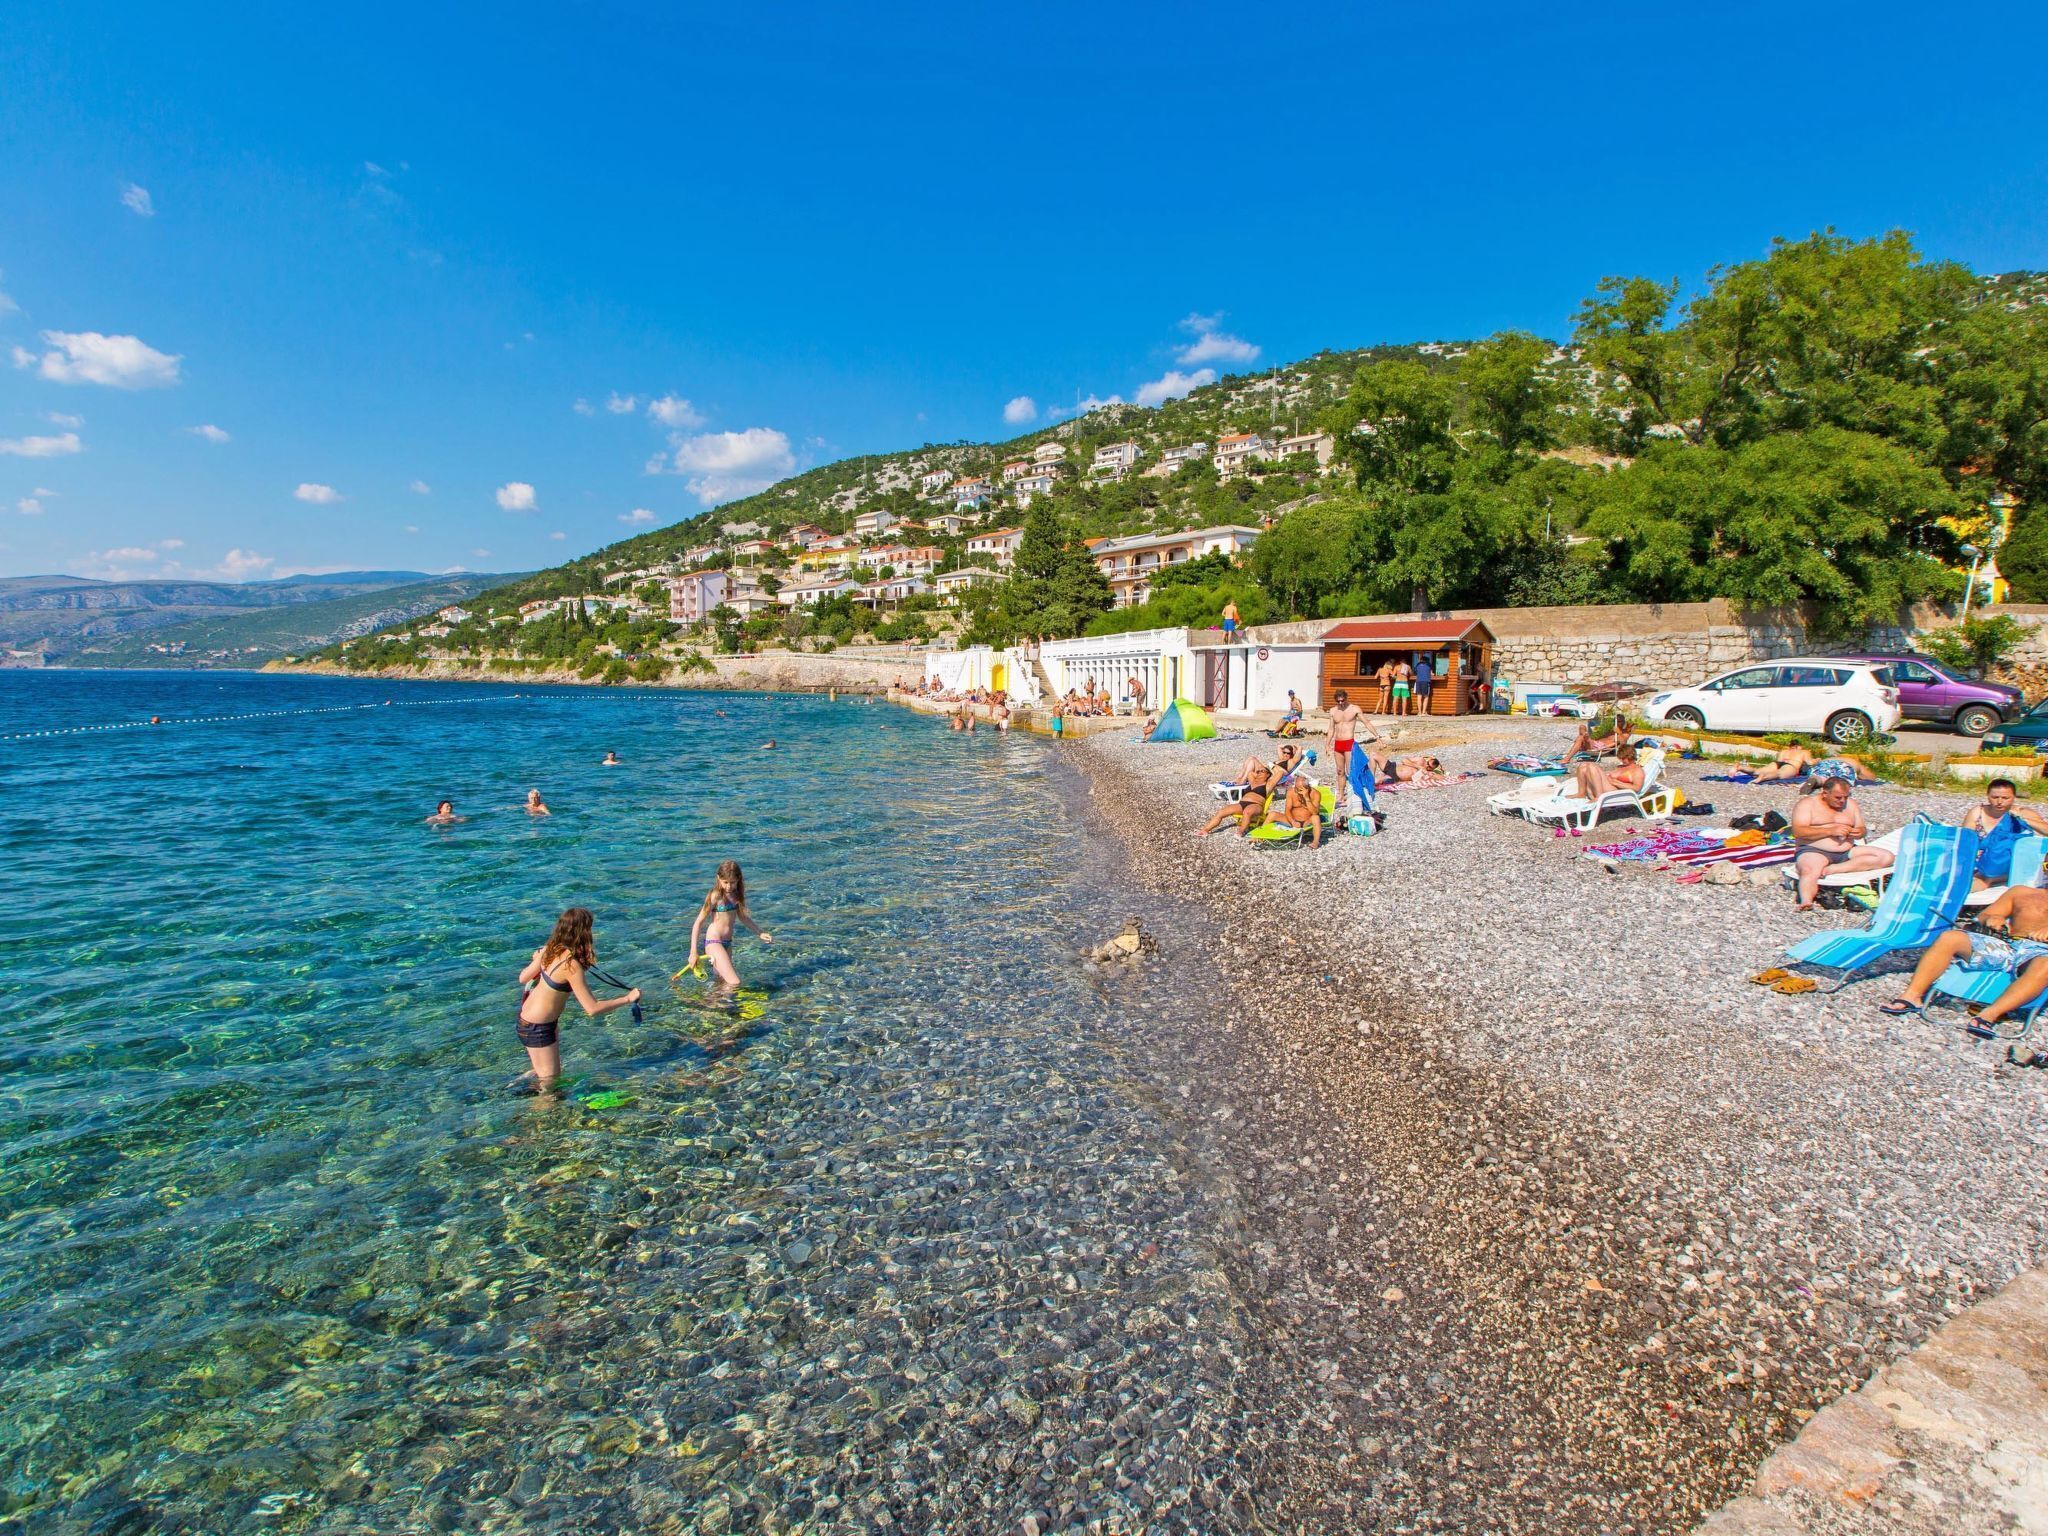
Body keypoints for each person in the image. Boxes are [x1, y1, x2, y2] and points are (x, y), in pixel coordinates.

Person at [1878, 880, 2048, 1031]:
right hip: (2005, 944)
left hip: (2041, 953)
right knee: (1950, 937)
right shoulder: (2021, 893)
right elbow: (1984, 915)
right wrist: (1993, 918)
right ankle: (1912, 996)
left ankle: (1989, 1015)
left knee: (2045, 965)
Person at [516, 907, 641, 1088]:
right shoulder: (571, 966)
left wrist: (537, 959)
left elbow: (523, 978)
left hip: (527, 1020)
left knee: (544, 1072)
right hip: (538, 1028)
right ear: (582, 933)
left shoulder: (550, 949)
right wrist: (628, 998)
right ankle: (539, 1113)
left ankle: (513, 1087)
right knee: (550, 1084)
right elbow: (592, 1008)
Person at [1790, 773, 1892, 911]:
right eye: (1838, 797)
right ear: (1825, 793)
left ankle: (1834, 869)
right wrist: (1830, 831)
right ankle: (1806, 901)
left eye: (1846, 797)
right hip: (1814, 850)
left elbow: (1862, 829)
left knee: (1886, 857)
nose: (1842, 801)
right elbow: (1798, 831)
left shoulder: (1851, 805)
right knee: (1809, 870)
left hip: (1846, 851)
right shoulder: (1807, 804)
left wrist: (1859, 832)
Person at [685, 859, 774, 989]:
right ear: (718, 879)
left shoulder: (737, 894)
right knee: (734, 982)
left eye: (732, 882)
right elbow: (698, 923)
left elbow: (743, 917)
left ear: (738, 879)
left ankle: (713, 1006)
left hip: (727, 943)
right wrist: (693, 952)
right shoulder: (715, 896)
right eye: (725, 882)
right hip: (714, 942)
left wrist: (760, 932)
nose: (728, 886)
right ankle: (723, 1005)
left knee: (721, 982)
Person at [1962, 778, 2048, 888]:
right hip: (1978, 860)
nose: (1999, 802)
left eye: (2005, 798)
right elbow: (1965, 838)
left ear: (2014, 797)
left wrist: (2023, 820)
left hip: (2005, 862)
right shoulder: (1977, 812)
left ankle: (1985, 880)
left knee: (1984, 877)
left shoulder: (2022, 813)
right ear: (1987, 796)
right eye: (1995, 797)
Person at [1200, 762, 1274, 837]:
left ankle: (1240, 832)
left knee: (1247, 812)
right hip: (1241, 804)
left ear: (1268, 775)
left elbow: (1280, 773)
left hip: (1256, 805)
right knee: (1222, 812)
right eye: (1258, 772)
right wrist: (1260, 771)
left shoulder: (1268, 785)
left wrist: (1267, 772)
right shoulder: (1252, 782)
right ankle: (1205, 830)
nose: (1259, 773)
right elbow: (1250, 773)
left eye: (1262, 772)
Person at [1327, 689, 1372, 811]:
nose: (1341, 703)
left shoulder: (1354, 709)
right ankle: (1341, 795)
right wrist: (1327, 744)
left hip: (1348, 742)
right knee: (1340, 771)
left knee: (1350, 771)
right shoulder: (1333, 711)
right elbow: (1331, 728)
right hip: (1338, 743)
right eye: (1338, 701)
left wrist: (1378, 737)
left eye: (1343, 700)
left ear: (1346, 698)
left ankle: (1352, 794)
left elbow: (1366, 722)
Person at [1267, 777, 1324, 847]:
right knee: (1272, 814)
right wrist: (1292, 821)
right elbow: (1287, 810)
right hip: (1292, 819)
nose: (1296, 791)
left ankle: (1315, 842)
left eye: (1299, 789)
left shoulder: (1315, 794)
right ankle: (1259, 836)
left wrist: (1307, 798)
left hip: (1307, 821)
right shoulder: (1291, 792)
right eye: (1296, 788)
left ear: (1307, 788)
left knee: (1316, 818)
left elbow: (1315, 812)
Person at [1751, 744, 1819, 782]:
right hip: (1791, 766)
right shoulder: (1804, 751)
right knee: (1779, 773)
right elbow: (1810, 763)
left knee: (1756, 771)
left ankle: (1740, 767)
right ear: (1798, 746)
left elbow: (1778, 761)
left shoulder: (1783, 751)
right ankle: (1763, 777)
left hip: (1777, 763)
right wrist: (1817, 760)